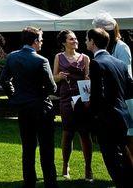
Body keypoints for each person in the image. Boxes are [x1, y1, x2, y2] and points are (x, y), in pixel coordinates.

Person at [0, 26, 58, 188]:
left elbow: (4, 81)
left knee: (28, 147)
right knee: (47, 148)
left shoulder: (12, 57)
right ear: (35, 41)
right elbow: (52, 88)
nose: (42, 43)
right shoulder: (41, 60)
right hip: (42, 108)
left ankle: (29, 182)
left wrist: (15, 95)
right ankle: (50, 182)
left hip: (24, 108)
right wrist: (42, 93)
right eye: (41, 40)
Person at [85, 27, 133, 187]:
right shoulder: (119, 63)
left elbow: (98, 95)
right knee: (124, 157)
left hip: (107, 119)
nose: (86, 42)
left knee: (112, 161)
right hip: (122, 115)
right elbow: (129, 89)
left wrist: (92, 117)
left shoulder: (96, 63)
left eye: (87, 39)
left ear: (92, 42)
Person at [53, 30, 93, 181]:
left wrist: (89, 79)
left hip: (83, 99)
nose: (75, 41)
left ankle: (88, 168)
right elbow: (54, 78)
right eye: (71, 39)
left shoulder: (85, 58)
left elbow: (88, 79)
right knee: (67, 132)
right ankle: (65, 165)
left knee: (84, 133)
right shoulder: (59, 57)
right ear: (64, 42)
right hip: (66, 98)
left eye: (76, 39)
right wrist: (59, 77)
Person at [93, 11, 133, 156]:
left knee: (128, 136)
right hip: (114, 98)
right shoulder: (106, 48)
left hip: (124, 97)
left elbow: (125, 75)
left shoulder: (121, 47)